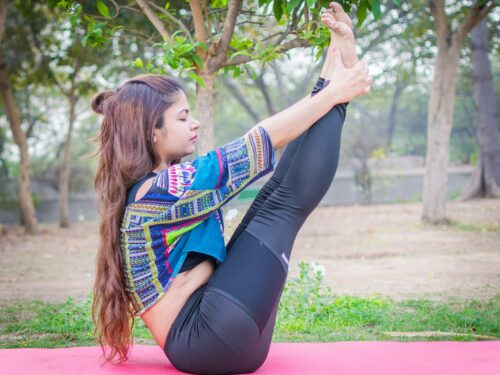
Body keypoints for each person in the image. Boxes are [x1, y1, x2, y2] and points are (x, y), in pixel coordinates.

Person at [90, 2, 370, 374]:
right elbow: (260, 141)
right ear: (152, 133)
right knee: (280, 205)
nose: (195, 124)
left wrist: (335, 62)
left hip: (213, 336)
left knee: (275, 199)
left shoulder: (151, 190)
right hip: (210, 336)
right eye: (182, 116)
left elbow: (272, 143)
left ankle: (339, 81)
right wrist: (336, 91)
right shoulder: (165, 190)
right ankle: (341, 88)